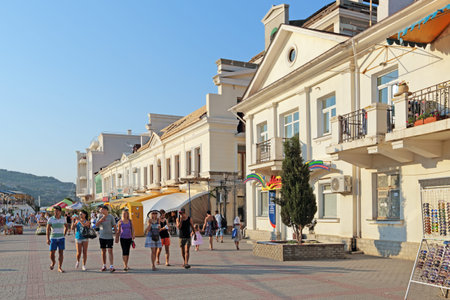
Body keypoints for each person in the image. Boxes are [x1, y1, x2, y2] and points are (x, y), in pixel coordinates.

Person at [46, 206, 68, 273]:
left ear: (60, 212)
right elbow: (47, 229)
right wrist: (47, 238)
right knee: (52, 253)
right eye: (54, 211)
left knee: (61, 253)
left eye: (57, 211)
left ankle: (59, 267)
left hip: (61, 238)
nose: (55, 212)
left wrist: (64, 234)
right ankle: (53, 262)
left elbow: (66, 227)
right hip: (53, 238)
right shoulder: (50, 219)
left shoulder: (63, 219)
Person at [96, 205, 117, 272]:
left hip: (109, 236)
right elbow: (96, 225)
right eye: (100, 210)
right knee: (103, 251)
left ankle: (111, 266)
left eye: (101, 209)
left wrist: (116, 235)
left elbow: (114, 225)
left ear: (105, 210)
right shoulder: (99, 216)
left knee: (110, 250)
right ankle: (104, 265)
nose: (100, 211)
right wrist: (101, 220)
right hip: (102, 236)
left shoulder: (111, 217)